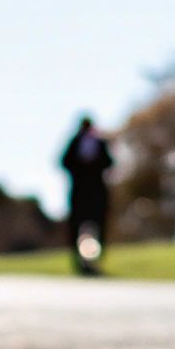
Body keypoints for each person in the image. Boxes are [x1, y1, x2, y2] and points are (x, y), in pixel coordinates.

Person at [60, 116, 113, 275]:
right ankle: (79, 262)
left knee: (98, 226)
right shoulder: (74, 142)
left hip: (97, 192)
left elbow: (109, 162)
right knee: (77, 227)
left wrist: (94, 164)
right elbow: (64, 162)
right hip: (79, 192)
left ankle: (96, 260)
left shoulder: (100, 143)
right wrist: (81, 167)